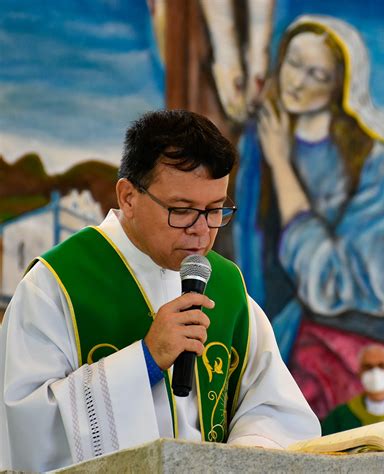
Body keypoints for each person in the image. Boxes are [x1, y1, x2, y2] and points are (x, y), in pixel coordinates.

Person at [0, 109, 321, 472]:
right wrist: (146, 360)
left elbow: (274, 409)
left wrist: (236, 458)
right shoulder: (54, 286)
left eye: (215, 209)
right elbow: (23, 430)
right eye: (182, 210)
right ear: (129, 197)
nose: (201, 231)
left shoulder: (227, 287)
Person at [234, 15, 384, 428]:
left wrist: (282, 167)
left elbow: (338, 284)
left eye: (317, 74)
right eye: (293, 63)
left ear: (339, 86)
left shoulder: (377, 166)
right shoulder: (264, 139)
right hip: (317, 307)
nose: (298, 82)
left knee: (306, 382)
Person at [322, 344, 384, 435]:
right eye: (368, 367)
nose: (375, 372)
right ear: (359, 373)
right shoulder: (340, 416)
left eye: (381, 366)